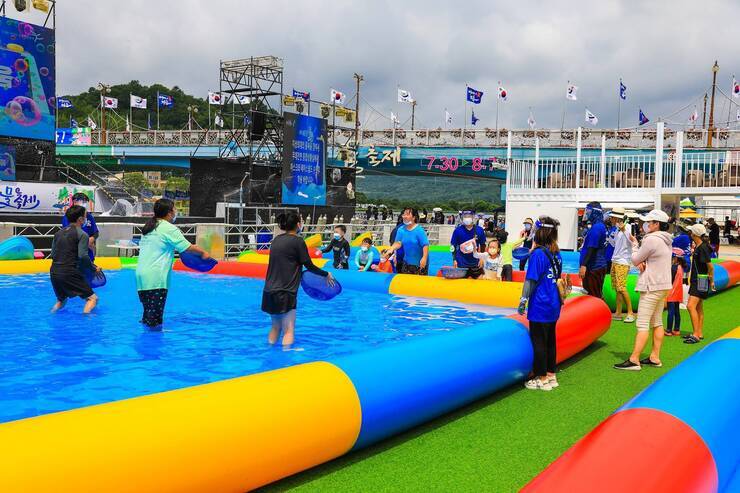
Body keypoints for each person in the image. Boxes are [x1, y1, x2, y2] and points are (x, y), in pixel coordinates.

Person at [262, 211, 335, 346]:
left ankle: (270, 356)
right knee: (289, 330)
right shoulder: (298, 241)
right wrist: (326, 274)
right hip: (286, 292)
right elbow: (309, 265)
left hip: (269, 290)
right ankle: (287, 362)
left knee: (275, 327)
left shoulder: (276, 240)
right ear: (298, 224)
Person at [136, 198, 209, 330]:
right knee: (155, 322)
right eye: (174, 209)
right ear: (169, 213)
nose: (175, 212)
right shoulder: (169, 228)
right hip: (156, 279)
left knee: (147, 318)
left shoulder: (149, 226)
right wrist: (204, 253)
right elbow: (187, 247)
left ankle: (145, 346)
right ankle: (153, 349)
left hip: (141, 278)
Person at [614, 209, 673, 371]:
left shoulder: (651, 239)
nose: (645, 224)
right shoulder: (666, 239)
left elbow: (635, 259)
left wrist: (634, 245)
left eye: (649, 222)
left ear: (656, 224)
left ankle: (634, 359)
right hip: (663, 285)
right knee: (657, 322)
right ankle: (654, 356)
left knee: (642, 324)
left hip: (651, 286)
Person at [517, 216, 563, 391]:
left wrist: (523, 301)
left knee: (539, 341)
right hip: (554, 303)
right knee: (550, 339)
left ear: (540, 233)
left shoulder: (537, 254)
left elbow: (530, 281)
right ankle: (551, 374)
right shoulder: (556, 253)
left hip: (540, 304)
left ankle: (541, 377)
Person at [50, 205, 99, 314]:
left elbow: (53, 254)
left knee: (61, 301)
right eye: (85, 217)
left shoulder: (58, 234)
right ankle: (85, 325)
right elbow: (82, 256)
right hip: (69, 272)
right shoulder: (82, 234)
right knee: (93, 299)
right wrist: (93, 268)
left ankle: (51, 314)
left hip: (54, 272)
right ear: (81, 219)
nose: (86, 219)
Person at [684, 223, 715, 345]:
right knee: (698, 307)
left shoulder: (702, 248)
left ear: (695, 234)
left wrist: (711, 281)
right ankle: (699, 332)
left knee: (690, 306)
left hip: (700, 280)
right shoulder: (700, 246)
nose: (689, 233)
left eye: (691, 232)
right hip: (699, 279)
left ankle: (696, 334)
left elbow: (710, 267)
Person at [607, 207, 635, 323]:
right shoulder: (616, 229)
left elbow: (632, 241)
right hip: (616, 260)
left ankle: (630, 313)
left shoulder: (627, 227)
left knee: (622, 288)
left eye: (612, 217)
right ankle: (618, 313)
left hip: (623, 262)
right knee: (618, 289)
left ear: (616, 217)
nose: (610, 219)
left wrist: (623, 229)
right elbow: (614, 243)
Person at [383, 207, 429, 275]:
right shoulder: (401, 230)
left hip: (420, 263)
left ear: (413, 217)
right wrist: (391, 249)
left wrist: (424, 258)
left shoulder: (419, 230)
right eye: (404, 214)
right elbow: (398, 243)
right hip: (406, 262)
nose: (404, 216)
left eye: (407, 214)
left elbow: (425, 245)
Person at [579, 201, 608, 299]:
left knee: (594, 296)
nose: (587, 214)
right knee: (594, 293)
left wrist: (583, 265)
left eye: (589, 211)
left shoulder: (597, 228)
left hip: (595, 267)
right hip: (596, 266)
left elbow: (592, 249)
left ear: (595, 213)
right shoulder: (599, 226)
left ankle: (601, 314)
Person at [61, 192, 99, 261]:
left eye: (85, 202)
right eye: (83, 201)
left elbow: (96, 232)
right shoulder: (68, 216)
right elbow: (68, 233)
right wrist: (85, 242)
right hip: (74, 255)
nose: (85, 204)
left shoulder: (89, 216)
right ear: (75, 202)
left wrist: (92, 239)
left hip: (88, 254)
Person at [450, 210, 487, 279]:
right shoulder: (457, 231)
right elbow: (452, 246)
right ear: (462, 218)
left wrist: (482, 258)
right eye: (465, 216)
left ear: (473, 217)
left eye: (469, 216)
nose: (467, 218)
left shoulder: (480, 230)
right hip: (461, 263)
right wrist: (454, 259)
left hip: (476, 263)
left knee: (480, 283)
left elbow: (483, 245)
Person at [666, 249, 686, 337]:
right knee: (677, 311)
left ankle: (669, 330)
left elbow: (670, 280)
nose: (672, 259)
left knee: (670, 311)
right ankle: (676, 329)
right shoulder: (681, 267)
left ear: (677, 258)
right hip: (678, 292)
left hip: (672, 292)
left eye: (673, 257)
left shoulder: (674, 267)